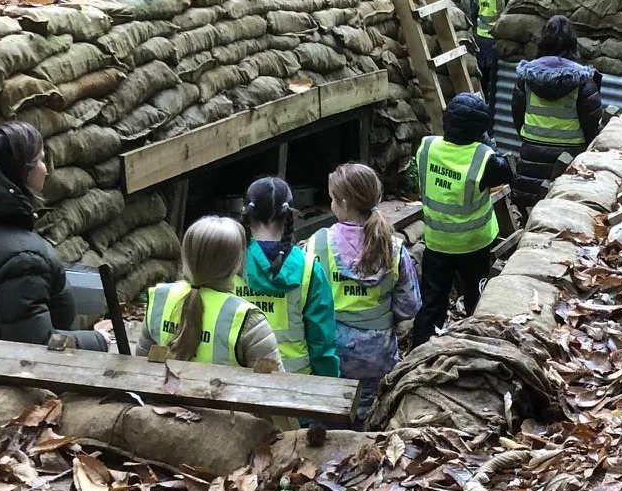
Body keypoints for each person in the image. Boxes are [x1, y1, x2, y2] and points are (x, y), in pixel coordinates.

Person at [0, 118, 109, 349]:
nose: (47, 169)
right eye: (42, 161)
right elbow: (34, 347)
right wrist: (97, 341)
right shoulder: (23, 259)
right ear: (24, 172)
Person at [306, 163, 420, 417]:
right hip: (378, 354)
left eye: (332, 199)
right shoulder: (395, 248)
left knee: (334, 412)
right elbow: (409, 305)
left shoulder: (317, 244)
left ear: (343, 203)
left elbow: (305, 302)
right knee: (372, 410)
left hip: (332, 352)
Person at [411, 93, 511, 344]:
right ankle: (477, 343)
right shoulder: (484, 158)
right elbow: (506, 172)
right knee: (476, 298)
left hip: (437, 243)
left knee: (432, 302)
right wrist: (488, 143)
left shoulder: (427, 147)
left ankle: (421, 349)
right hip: (473, 245)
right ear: (481, 130)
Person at [143, 216, 282, 370]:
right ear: (237, 264)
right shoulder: (248, 319)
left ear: (187, 256)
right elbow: (274, 386)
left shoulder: (159, 299)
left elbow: (143, 366)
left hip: (163, 393)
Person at [236, 176, 340, 376]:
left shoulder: (230, 262)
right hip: (296, 382)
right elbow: (322, 341)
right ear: (289, 214)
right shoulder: (309, 268)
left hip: (238, 380)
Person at [510, 13, 605, 212]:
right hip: (570, 154)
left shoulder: (526, 77)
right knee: (563, 211)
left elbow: (517, 115)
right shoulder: (583, 81)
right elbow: (592, 123)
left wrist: (531, 136)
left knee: (529, 209)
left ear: (543, 41)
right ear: (573, 43)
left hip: (532, 151)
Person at [471, 0, 519, 105]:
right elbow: (514, 18)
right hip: (497, 40)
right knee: (496, 82)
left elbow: (473, 12)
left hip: (480, 38)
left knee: (481, 80)